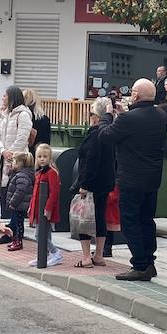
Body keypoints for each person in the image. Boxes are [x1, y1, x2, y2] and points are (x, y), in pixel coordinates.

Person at [102, 78, 167, 282]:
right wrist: (123, 115)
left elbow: (105, 136)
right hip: (152, 178)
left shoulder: (128, 119)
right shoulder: (160, 115)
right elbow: (136, 128)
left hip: (131, 179)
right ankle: (149, 262)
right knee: (147, 221)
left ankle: (139, 264)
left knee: (130, 222)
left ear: (136, 95)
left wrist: (107, 115)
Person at [71, 97, 115, 268]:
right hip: (105, 182)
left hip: (91, 184)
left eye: (91, 113)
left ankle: (86, 257)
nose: (90, 117)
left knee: (84, 219)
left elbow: (91, 160)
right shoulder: (109, 132)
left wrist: (84, 184)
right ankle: (98, 255)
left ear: (97, 116)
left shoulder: (95, 134)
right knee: (100, 217)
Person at [0, 86, 34, 215]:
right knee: (0, 189)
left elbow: (23, 137)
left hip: (17, 160)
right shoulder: (4, 115)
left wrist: (11, 153)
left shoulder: (23, 114)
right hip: (2, 158)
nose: (3, 98)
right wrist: (2, 150)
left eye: (5, 95)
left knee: (13, 190)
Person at [30, 143, 63, 267]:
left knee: (39, 235)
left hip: (45, 210)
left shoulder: (51, 173)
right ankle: (43, 255)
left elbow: (54, 193)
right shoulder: (39, 173)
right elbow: (35, 194)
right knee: (45, 234)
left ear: (50, 158)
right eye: (39, 156)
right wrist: (31, 208)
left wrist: (48, 208)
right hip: (38, 209)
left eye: (45, 156)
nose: (42, 159)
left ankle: (55, 252)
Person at [2, 151, 35, 252]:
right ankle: (16, 240)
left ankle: (18, 241)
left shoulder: (22, 175)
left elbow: (20, 190)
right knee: (18, 223)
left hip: (19, 205)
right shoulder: (20, 174)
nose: (12, 164)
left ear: (19, 164)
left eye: (14, 162)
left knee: (19, 224)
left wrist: (13, 202)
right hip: (19, 204)